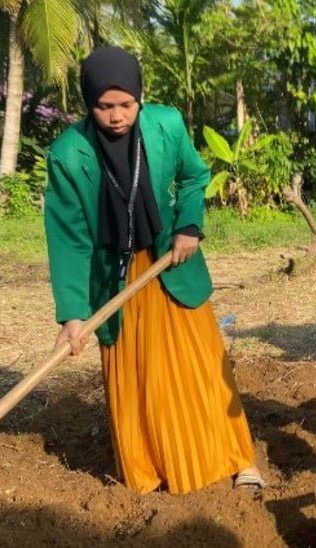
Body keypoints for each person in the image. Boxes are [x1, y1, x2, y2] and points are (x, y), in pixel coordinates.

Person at [44, 46, 264, 494]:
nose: (117, 116)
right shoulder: (68, 155)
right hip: (114, 278)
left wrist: (188, 225)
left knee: (202, 362)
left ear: (141, 98)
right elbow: (68, 238)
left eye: (126, 104)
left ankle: (237, 458)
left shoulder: (166, 125)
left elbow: (193, 176)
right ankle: (152, 470)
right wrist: (72, 313)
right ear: (90, 105)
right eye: (105, 106)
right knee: (139, 379)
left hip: (170, 264)